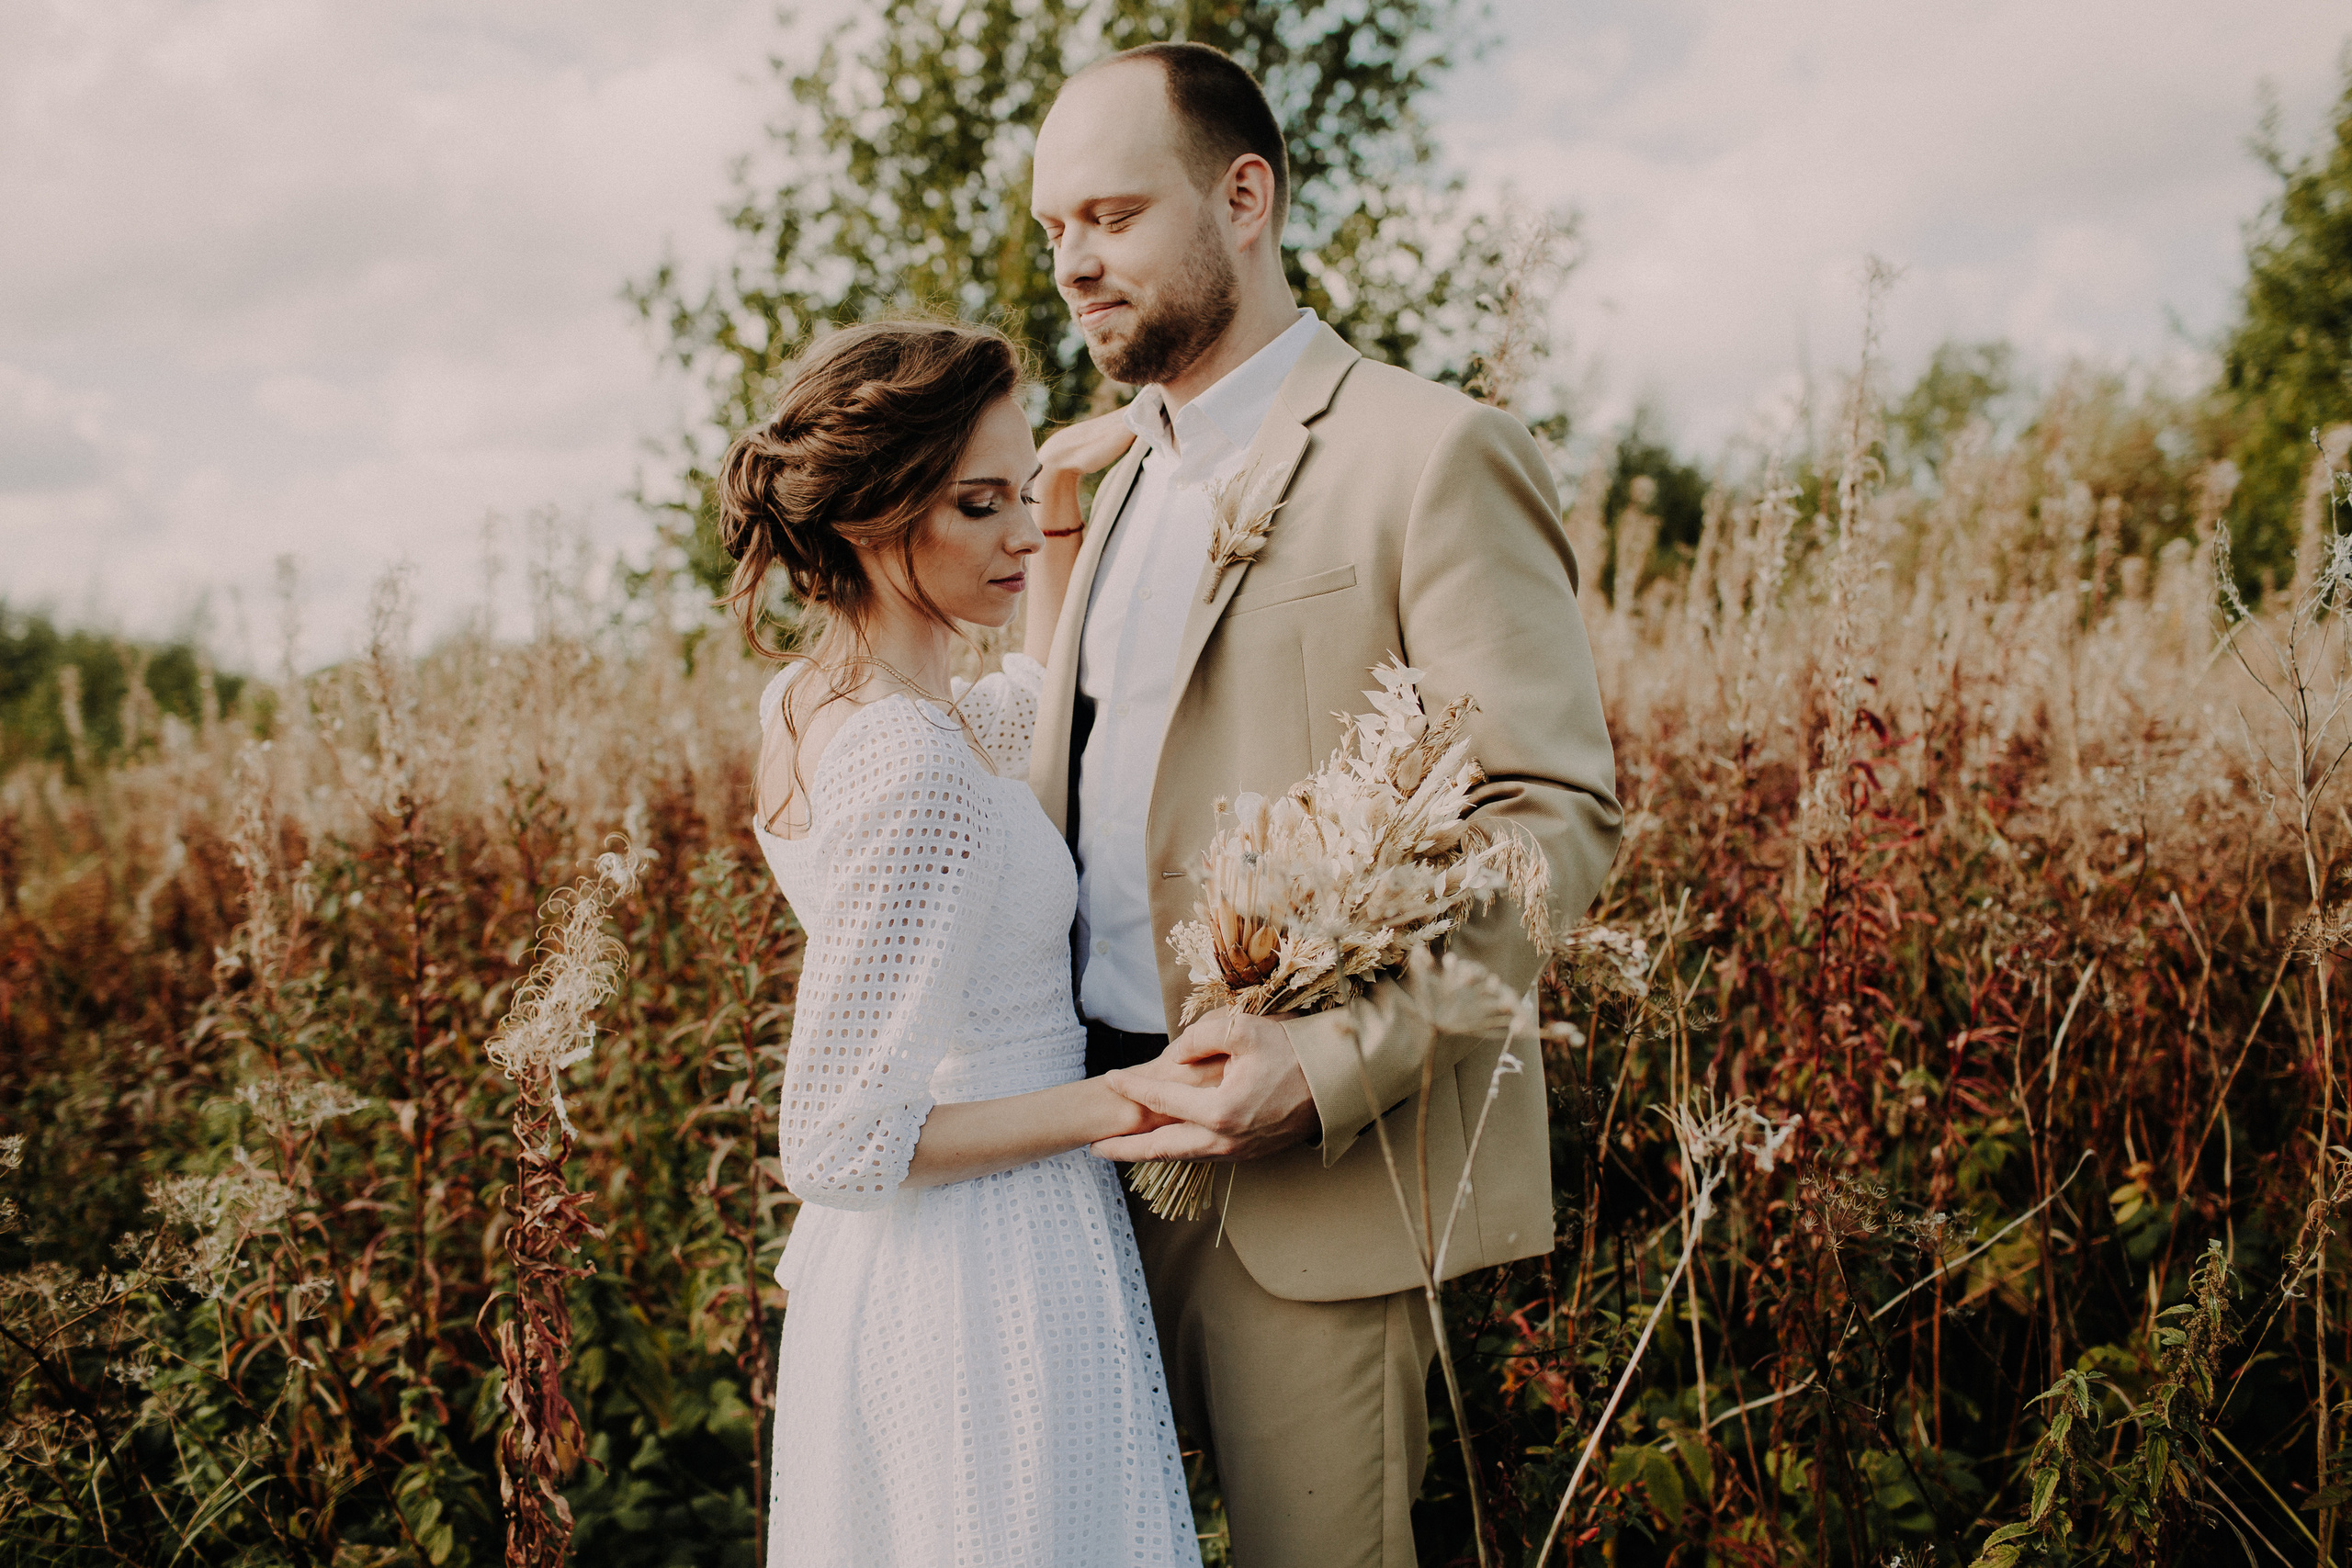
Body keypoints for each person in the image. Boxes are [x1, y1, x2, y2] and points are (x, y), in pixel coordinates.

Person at [1024, 43, 1623, 1567]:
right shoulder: (1104, 493)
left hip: (1313, 1186)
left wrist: (1329, 1060)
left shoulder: (1431, 456)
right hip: (1080, 1161)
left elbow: (1552, 822)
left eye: (1109, 215)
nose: (1076, 265)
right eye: (1051, 233)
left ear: (1244, 197)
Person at [720, 319, 1205, 1566]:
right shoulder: (912, 766)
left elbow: (1030, 702)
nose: (1016, 538)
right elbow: (834, 1138)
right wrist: (1117, 1102)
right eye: (977, 504)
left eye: (1016, 495)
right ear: (878, 518)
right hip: (984, 1280)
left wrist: (1057, 498)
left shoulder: (819, 700)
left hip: (933, 1256)